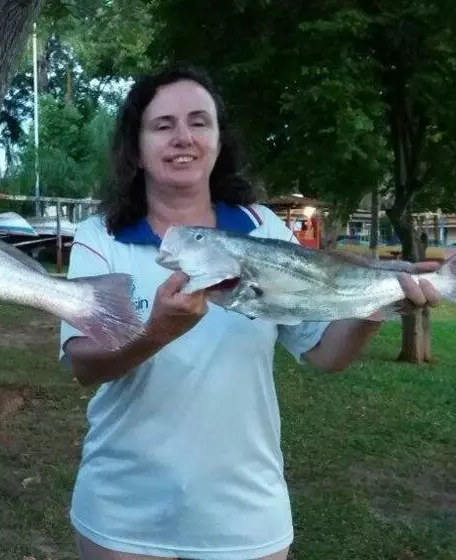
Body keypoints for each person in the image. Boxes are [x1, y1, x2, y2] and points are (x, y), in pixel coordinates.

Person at [58, 67, 442, 560]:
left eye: (200, 122)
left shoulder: (263, 229)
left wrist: (377, 305)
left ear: (218, 140)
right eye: (162, 125)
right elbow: (83, 366)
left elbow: (326, 353)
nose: (183, 138)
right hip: (122, 511)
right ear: (135, 148)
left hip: (244, 517)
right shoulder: (101, 236)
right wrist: (155, 333)